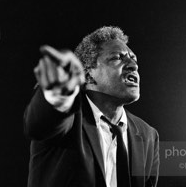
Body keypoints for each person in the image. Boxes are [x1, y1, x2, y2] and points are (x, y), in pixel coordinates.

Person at [24, 26, 160, 187]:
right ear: (88, 74)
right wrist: (59, 95)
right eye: (118, 57)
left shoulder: (148, 135)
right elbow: (39, 125)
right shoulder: (68, 116)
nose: (133, 65)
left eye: (133, 59)